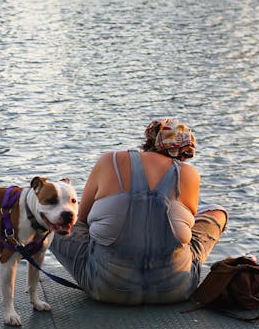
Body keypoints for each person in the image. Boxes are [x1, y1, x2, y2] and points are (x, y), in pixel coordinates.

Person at [50, 117, 227, 305]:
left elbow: (82, 220)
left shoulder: (111, 160)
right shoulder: (189, 173)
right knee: (217, 212)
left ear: (149, 141)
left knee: (48, 215)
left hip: (105, 287)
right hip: (176, 289)